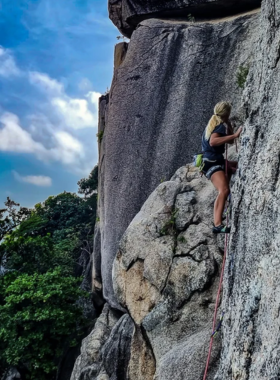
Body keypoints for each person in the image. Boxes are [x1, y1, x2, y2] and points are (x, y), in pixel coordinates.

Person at [201, 101, 242, 234]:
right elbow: (213, 141)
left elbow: (229, 141)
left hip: (212, 161)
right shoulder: (217, 126)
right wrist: (235, 135)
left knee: (235, 165)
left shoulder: (214, 124)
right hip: (212, 162)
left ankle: (229, 199)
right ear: (227, 113)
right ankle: (217, 224)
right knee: (223, 189)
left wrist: (229, 124)